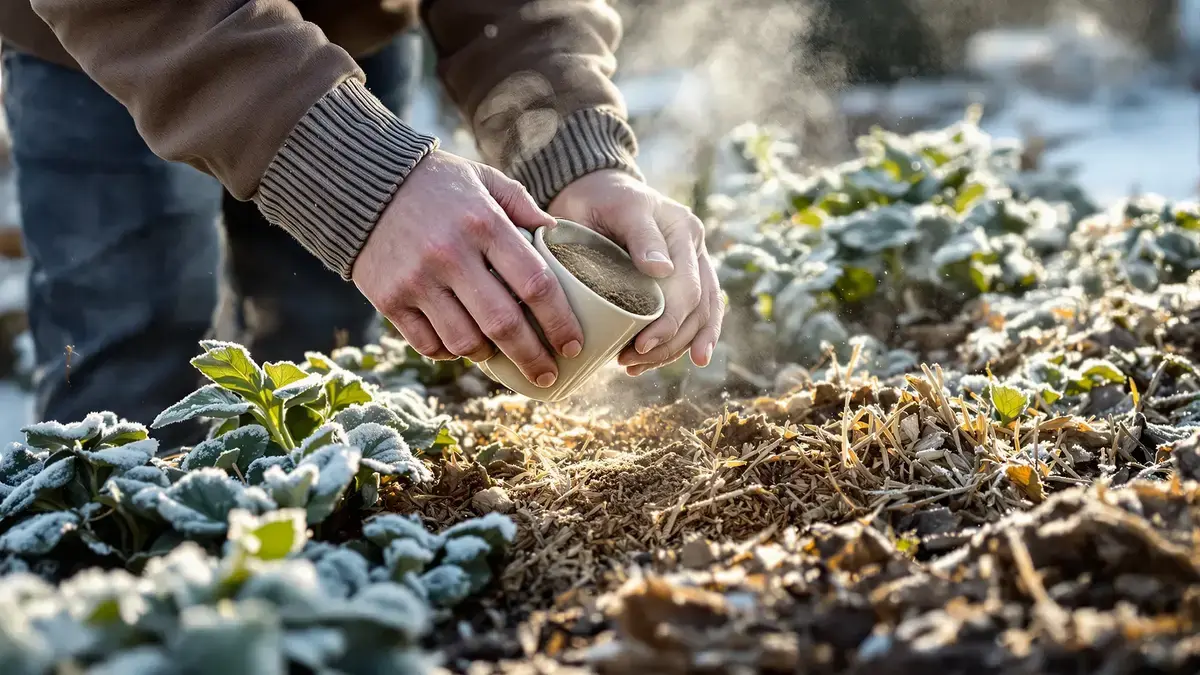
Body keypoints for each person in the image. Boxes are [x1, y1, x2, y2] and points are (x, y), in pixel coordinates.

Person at [0, 0, 725, 448]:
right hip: (117, 38)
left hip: (354, 29)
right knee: (125, 403)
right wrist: (357, 177)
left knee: (320, 372)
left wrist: (576, 153)